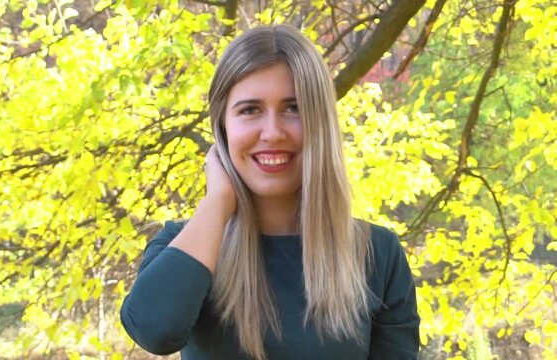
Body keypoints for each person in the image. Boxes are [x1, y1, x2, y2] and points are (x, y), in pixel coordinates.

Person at [120, 24, 420, 360]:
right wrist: (217, 202)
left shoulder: (377, 254)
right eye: (250, 110)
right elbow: (153, 331)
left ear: (320, 122)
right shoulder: (186, 244)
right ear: (222, 126)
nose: (273, 132)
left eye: (294, 108)